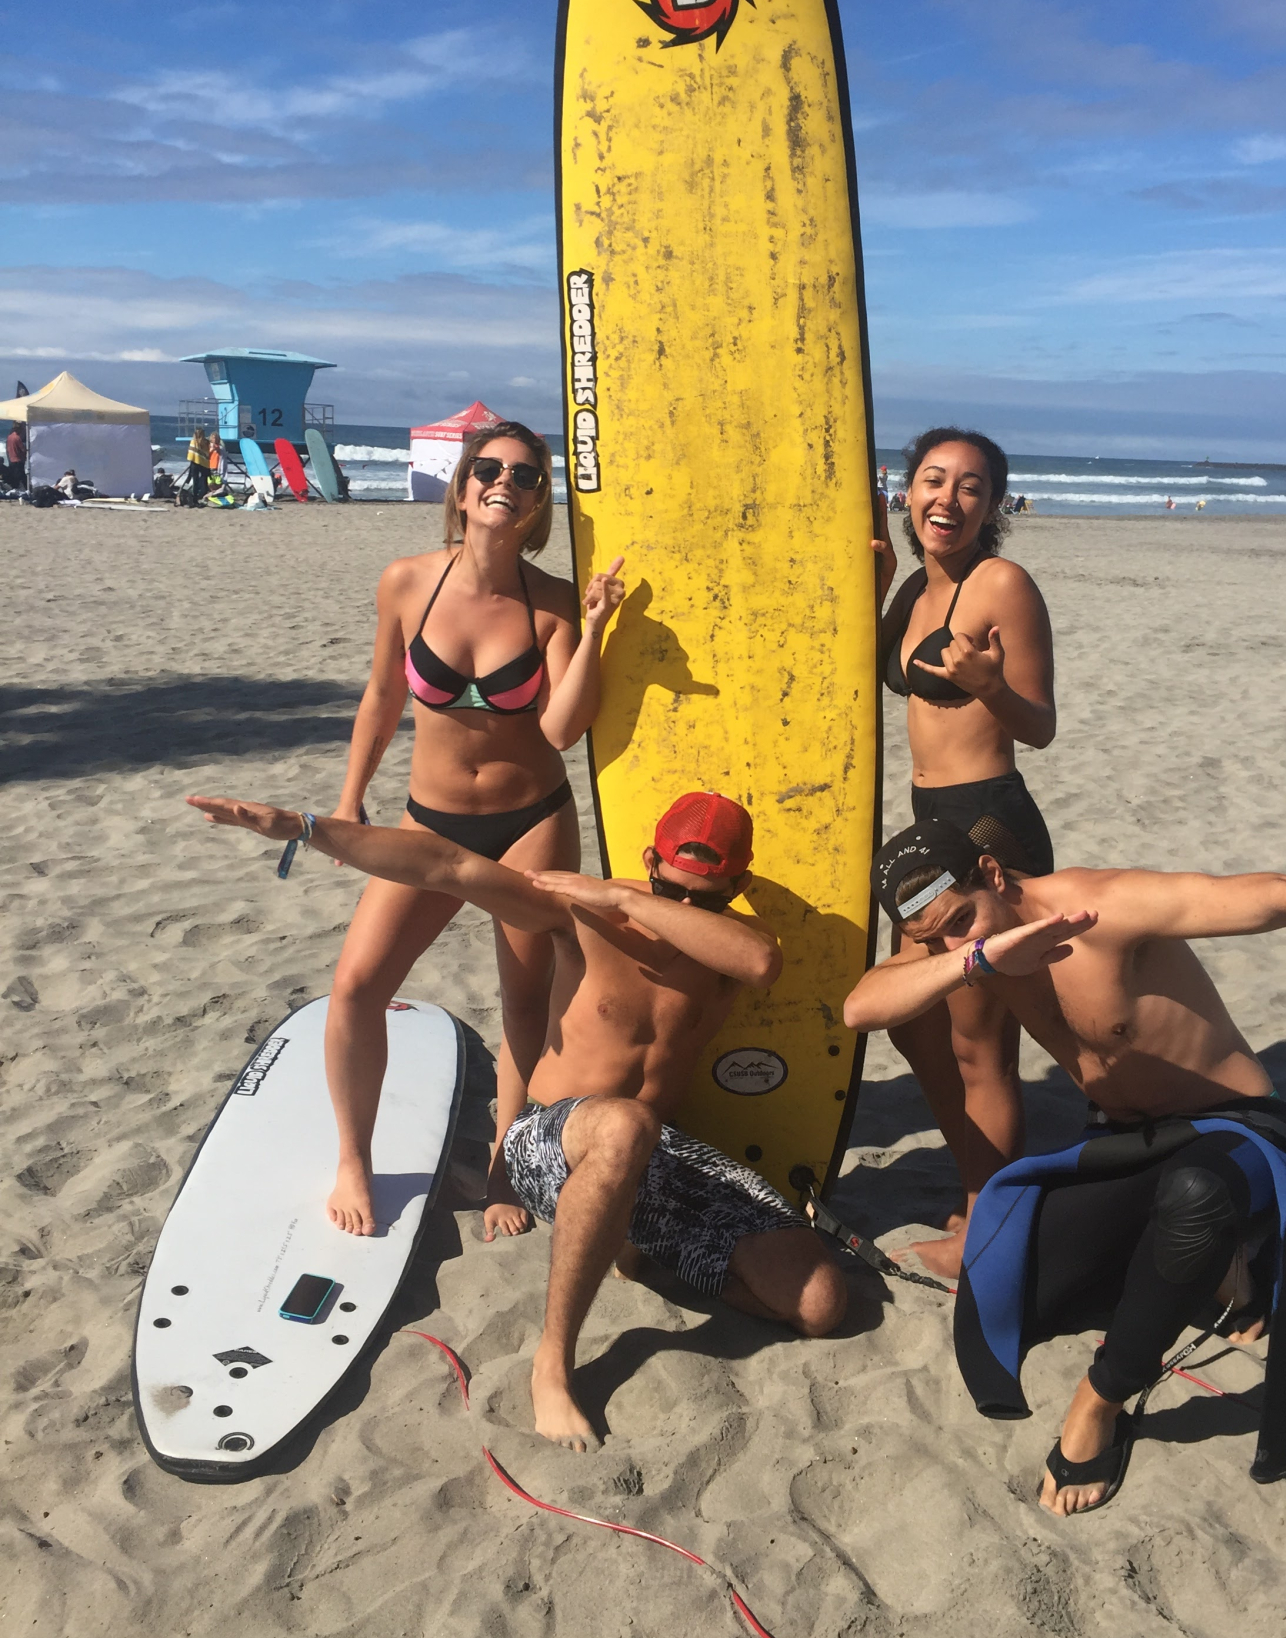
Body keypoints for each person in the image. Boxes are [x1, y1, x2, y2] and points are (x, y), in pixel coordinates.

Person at [185, 787, 846, 1449]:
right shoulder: (581, 912)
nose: (680, 907)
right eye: (666, 887)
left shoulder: (732, 941)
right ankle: (553, 1363)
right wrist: (304, 827)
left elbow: (762, 963)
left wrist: (632, 898)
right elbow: (447, 864)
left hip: (648, 1152)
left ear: (741, 885)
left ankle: (634, 1246)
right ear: (648, 859)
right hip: (550, 1140)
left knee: (821, 1306)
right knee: (623, 1126)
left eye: (704, 898)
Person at [846, 819, 1286, 1516]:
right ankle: (1233, 1281)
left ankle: (1103, 1398)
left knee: (1195, 1195)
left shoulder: (1106, 909)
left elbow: (1285, 895)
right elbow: (862, 1006)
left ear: (995, 873)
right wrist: (979, 957)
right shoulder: (974, 955)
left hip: (1243, 1130)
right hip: (1126, 1142)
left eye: (961, 921)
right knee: (1018, 1269)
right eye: (933, 938)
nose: (954, 943)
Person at [322, 422, 625, 1240]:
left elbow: (562, 729)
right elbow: (383, 698)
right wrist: (352, 798)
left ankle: (502, 1162)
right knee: (357, 987)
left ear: (537, 506)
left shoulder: (554, 600)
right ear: (461, 488)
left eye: (525, 477)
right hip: (429, 820)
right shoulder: (406, 582)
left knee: (525, 1007)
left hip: (531, 820)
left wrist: (594, 629)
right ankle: (354, 1156)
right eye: (488, 470)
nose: (505, 483)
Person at [871, 427, 1057, 1278]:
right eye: (934, 481)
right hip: (926, 821)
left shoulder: (1002, 584)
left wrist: (992, 688)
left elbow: (1040, 725)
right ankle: (985, 1188)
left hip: (986, 826)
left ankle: (990, 1224)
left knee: (980, 1043)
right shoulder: (916, 585)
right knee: (913, 1021)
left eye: (971, 488)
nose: (948, 500)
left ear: (994, 506)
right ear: (908, 492)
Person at [184, 425, 210, 503]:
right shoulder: (206, 442)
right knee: (204, 480)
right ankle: (202, 495)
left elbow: (191, 454)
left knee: (195, 480)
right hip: (204, 464)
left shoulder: (193, 441)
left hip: (194, 463)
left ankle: (195, 497)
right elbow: (208, 454)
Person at [5, 422, 25, 491]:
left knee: (14, 476)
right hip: (18, 460)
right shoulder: (17, 438)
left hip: (11, 459)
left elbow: (8, 448)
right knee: (21, 476)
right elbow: (22, 449)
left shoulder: (9, 437)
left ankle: (13, 488)